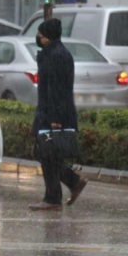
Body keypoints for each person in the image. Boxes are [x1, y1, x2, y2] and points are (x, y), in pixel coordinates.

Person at [29, 18, 87, 211]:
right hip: (49, 112)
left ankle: (55, 196)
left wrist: (55, 119)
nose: (37, 37)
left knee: (46, 152)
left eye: (39, 34)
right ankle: (69, 184)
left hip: (53, 114)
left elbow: (56, 90)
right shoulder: (54, 53)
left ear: (47, 36)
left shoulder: (56, 56)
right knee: (44, 153)